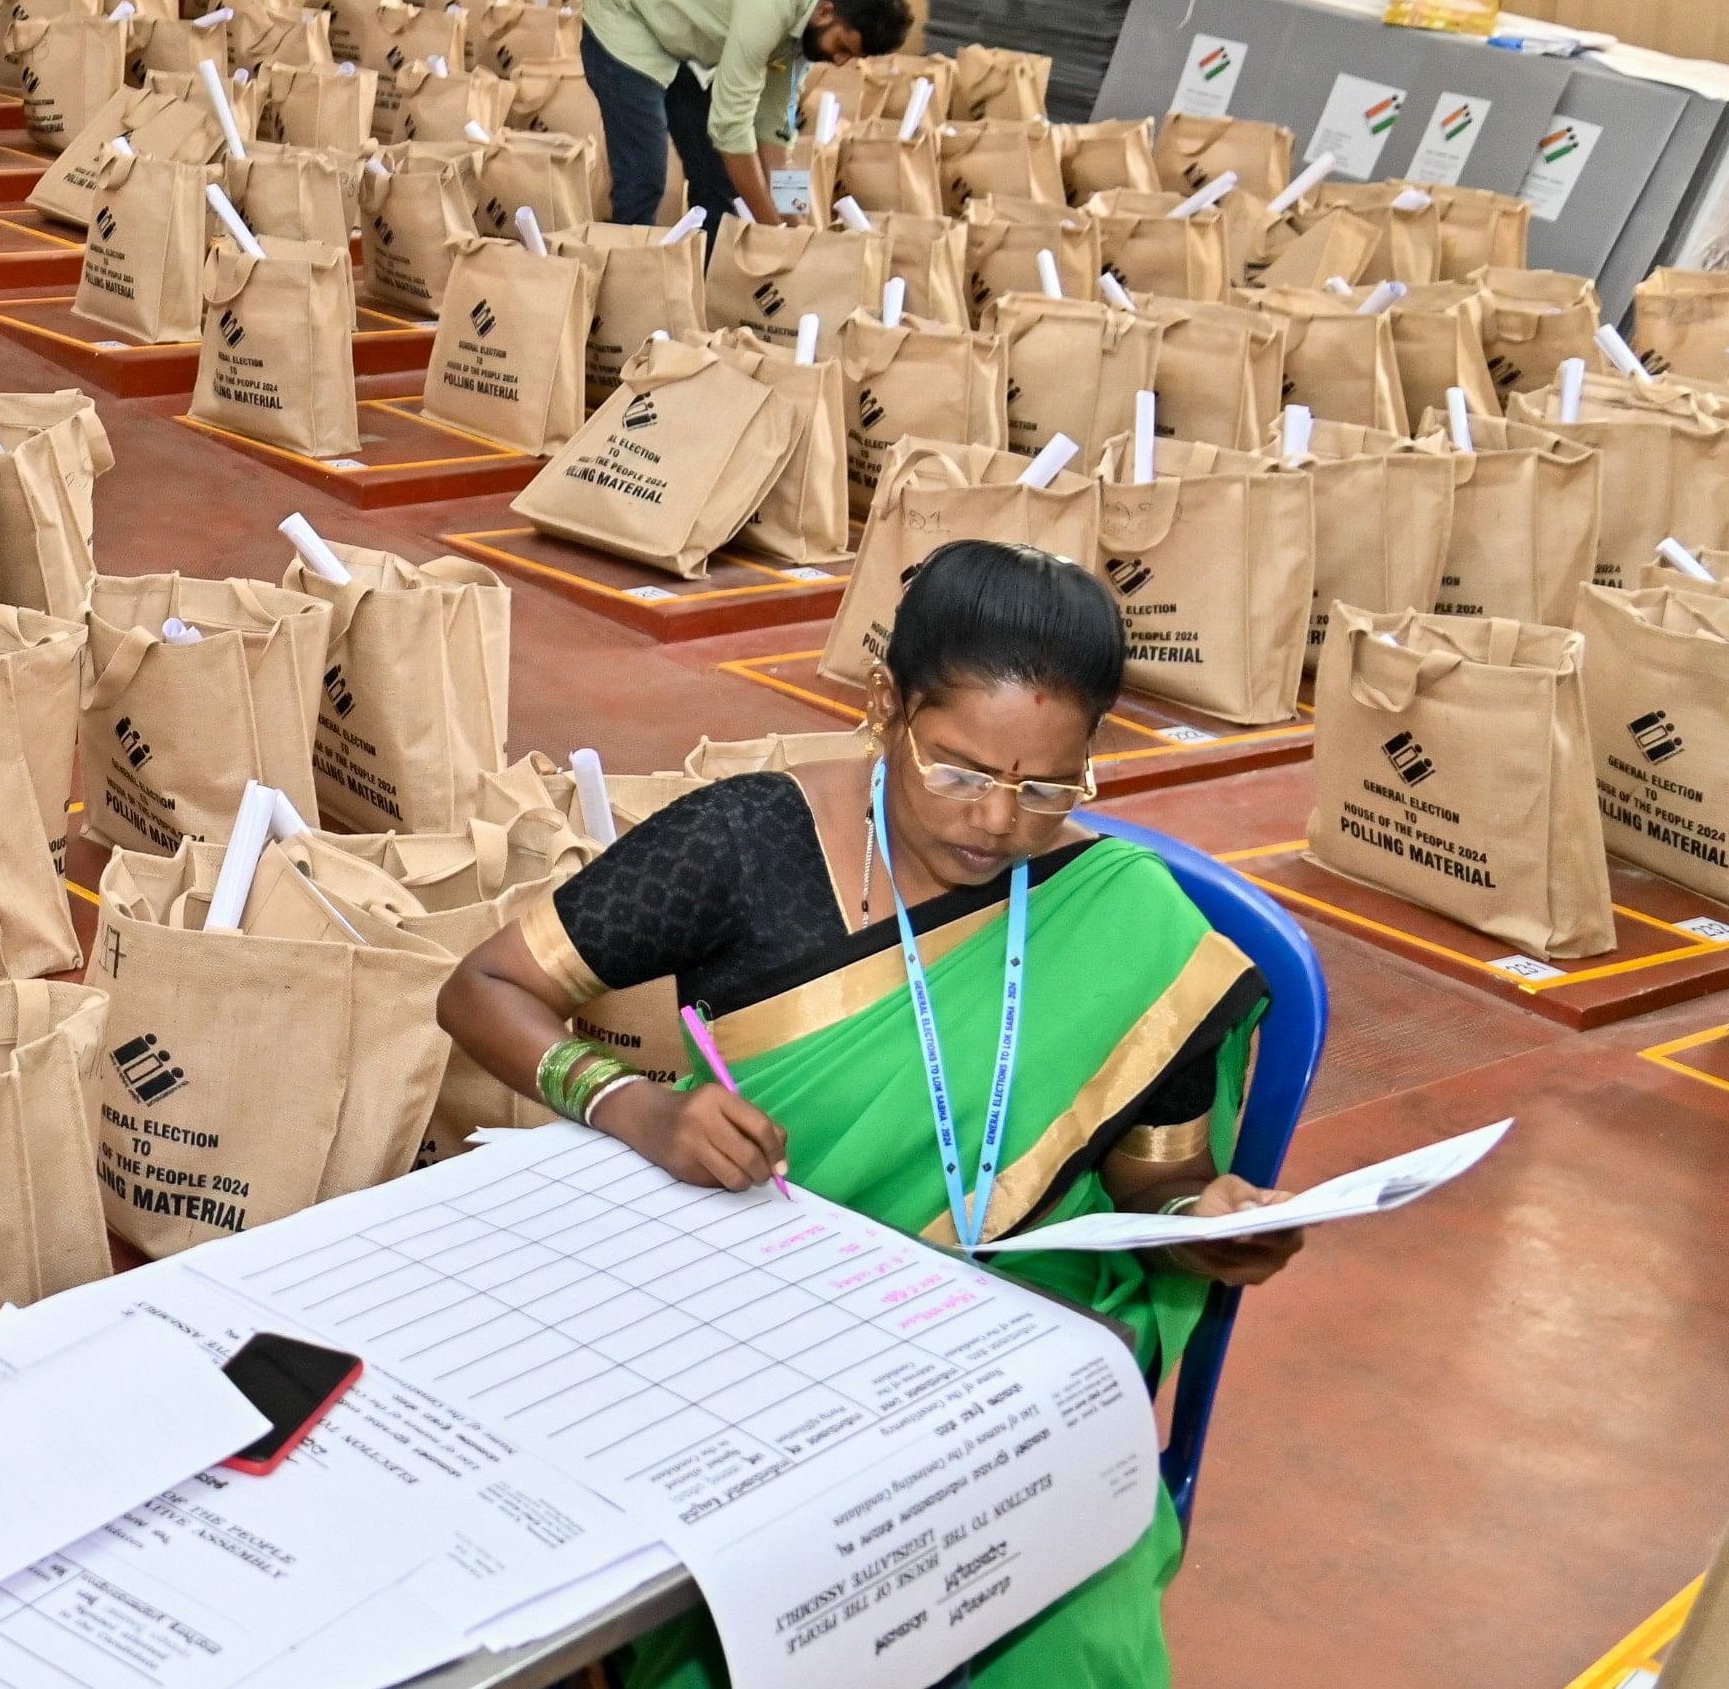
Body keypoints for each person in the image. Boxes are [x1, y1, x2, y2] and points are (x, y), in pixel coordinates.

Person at [434, 541, 1303, 1689]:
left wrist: (1205, 1214)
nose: (995, 819)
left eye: (1047, 787)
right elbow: (481, 989)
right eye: (954, 769)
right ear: (884, 703)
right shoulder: (744, 843)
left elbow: (1155, 1176)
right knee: (777, 1612)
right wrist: (636, 1108)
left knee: (1064, 1635)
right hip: (753, 1327)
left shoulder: (1126, 915)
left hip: (990, 1366)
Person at [577, 0, 913, 230]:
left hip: (677, 34)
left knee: (718, 178)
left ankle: (708, 281)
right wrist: (773, 230)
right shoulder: (771, 5)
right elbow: (732, 127)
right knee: (645, 174)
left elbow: (777, 129)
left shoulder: (816, 20)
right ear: (825, 12)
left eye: (853, 57)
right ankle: (627, 283)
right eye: (842, 48)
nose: (840, 62)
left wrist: (798, 224)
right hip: (624, 13)